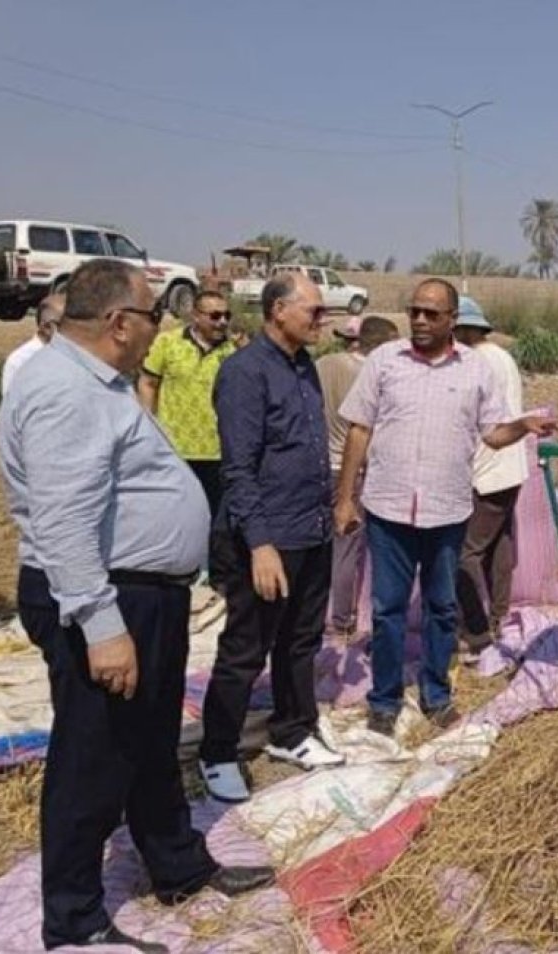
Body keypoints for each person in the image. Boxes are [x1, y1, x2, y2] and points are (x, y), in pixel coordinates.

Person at [0, 260, 273, 953]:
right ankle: (75, 920)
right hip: (107, 595)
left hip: (143, 592)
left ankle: (176, 863)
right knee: (94, 758)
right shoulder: (64, 390)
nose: (161, 327)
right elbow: (63, 517)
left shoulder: (96, 383)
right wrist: (100, 623)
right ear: (120, 323)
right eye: (153, 315)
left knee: (148, 742)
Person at [334, 278, 558, 737]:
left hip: (448, 510)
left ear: (452, 320)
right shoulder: (384, 361)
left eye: (431, 314)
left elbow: (493, 433)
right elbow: (359, 430)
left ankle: (436, 695)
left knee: (441, 607)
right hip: (388, 509)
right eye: (414, 311)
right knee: (387, 609)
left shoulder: (476, 370)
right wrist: (345, 498)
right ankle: (385, 700)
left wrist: (525, 426)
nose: (419, 320)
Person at [198, 272, 344, 804]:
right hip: (266, 541)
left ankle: (293, 731)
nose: (321, 319)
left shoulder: (304, 367)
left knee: (301, 640)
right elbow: (238, 470)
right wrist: (259, 545)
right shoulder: (244, 374)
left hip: (310, 531)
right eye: (314, 310)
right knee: (245, 649)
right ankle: (218, 752)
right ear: (279, 310)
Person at [452, 296, 530, 655]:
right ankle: (498, 615)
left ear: (465, 329)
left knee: (465, 552)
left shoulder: (475, 361)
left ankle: (475, 627)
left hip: (487, 467)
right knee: (498, 543)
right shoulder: (502, 357)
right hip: (509, 466)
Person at [316, 314, 399, 638]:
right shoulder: (376, 374)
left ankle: (314, 608)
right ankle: (342, 619)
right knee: (347, 548)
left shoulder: (325, 363)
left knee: (322, 543)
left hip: (320, 464)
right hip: (352, 468)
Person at [138, 290, 236, 527]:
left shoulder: (234, 353)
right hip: (174, 451)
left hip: (218, 453)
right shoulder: (167, 343)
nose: (222, 322)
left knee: (215, 522)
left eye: (226, 315)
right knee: (176, 520)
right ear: (196, 316)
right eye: (214, 316)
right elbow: (148, 383)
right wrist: (148, 429)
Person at [1, 293, 63, 395]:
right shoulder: (20, 360)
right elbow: (12, 404)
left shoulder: (71, 355)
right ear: (46, 327)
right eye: (64, 325)